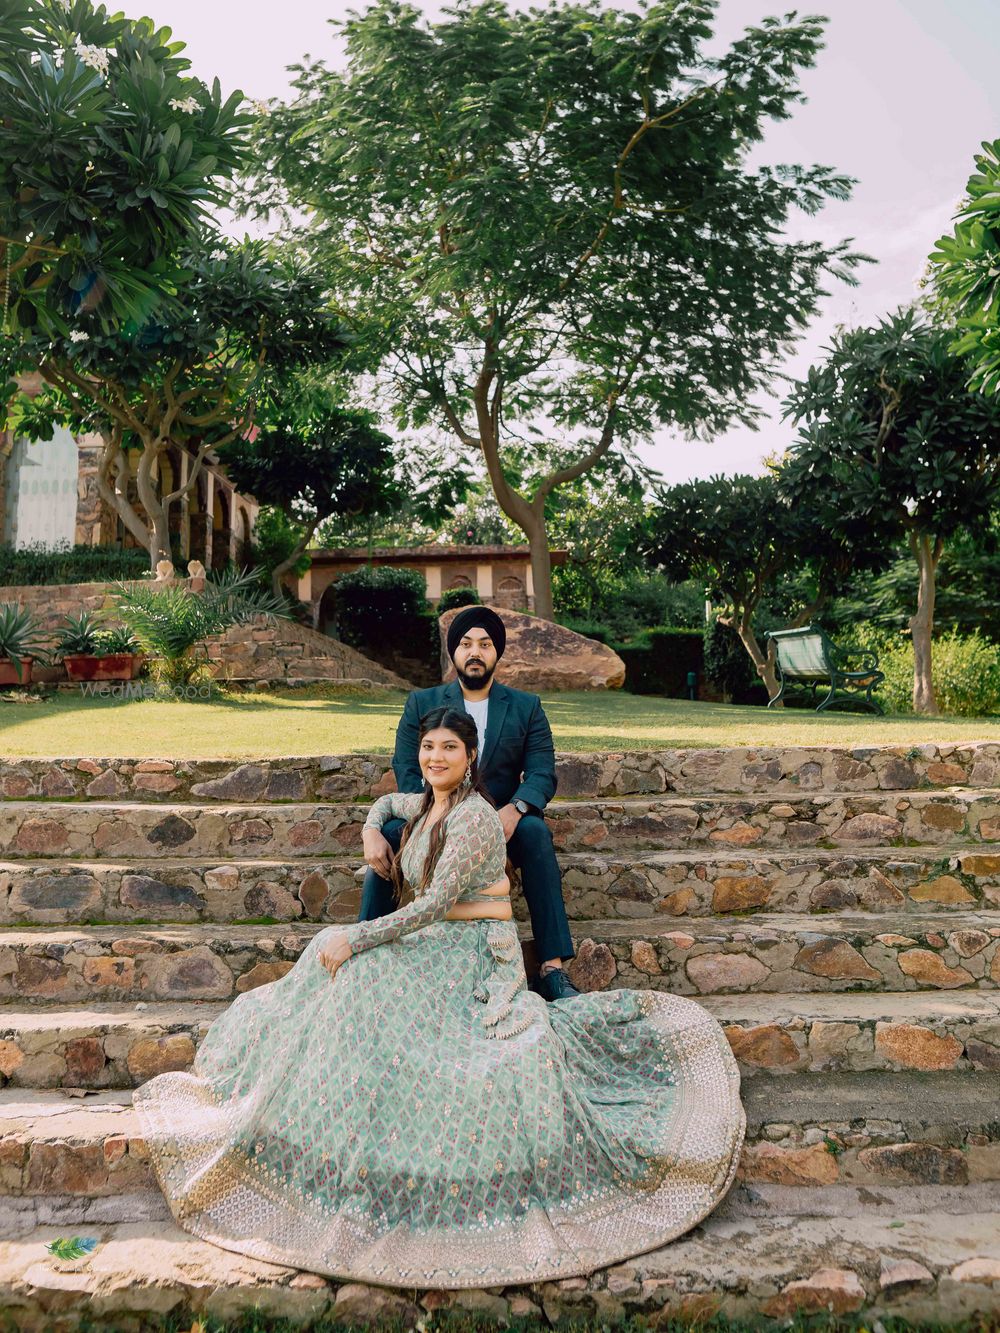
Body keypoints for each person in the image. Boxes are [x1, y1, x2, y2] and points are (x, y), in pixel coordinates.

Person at [134, 707, 745, 1290]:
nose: (435, 756)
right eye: (428, 747)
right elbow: (385, 802)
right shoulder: (424, 803)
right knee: (344, 971)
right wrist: (374, 827)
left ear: (471, 755)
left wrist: (360, 936)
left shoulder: (475, 816)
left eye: (449, 747)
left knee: (357, 968)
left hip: (472, 949)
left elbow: (431, 906)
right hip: (432, 940)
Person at [359, 604, 579, 1001]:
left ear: (497, 652)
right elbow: (408, 769)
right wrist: (396, 823)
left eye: (485, 644)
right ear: (453, 652)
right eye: (465, 644)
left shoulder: (526, 707)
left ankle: (552, 968)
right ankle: (365, 948)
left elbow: (543, 773)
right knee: (393, 835)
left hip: (500, 821)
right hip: (435, 815)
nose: (474, 652)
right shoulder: (421, 702)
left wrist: (516, 809)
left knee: (536, 834)